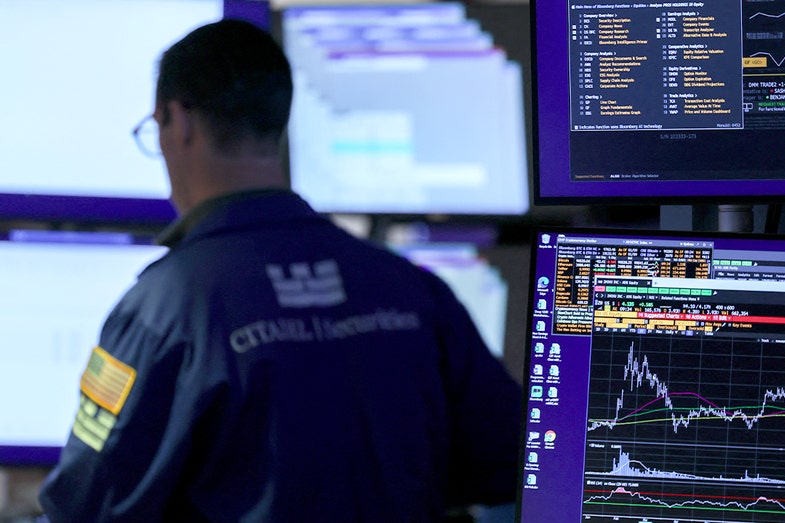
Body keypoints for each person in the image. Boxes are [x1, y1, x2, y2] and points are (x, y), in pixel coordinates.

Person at [38, 19, 521, 522]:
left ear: (178, 122)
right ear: (277, 120)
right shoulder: (410, 289)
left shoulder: (164, 312)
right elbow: (504, 462)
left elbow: (87, 506)